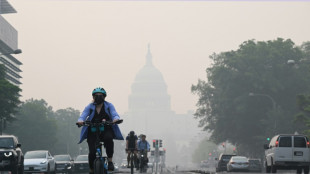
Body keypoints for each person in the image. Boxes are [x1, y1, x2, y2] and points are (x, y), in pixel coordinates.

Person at [77, 87, 124, 173]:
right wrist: (80, 121)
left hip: (105, 129)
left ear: (104, 97)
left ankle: (110, 161)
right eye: (96, 95)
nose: (98, 97)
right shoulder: (90, 107)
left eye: (100, 95)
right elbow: (83, 115)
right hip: (92, 130)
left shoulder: (109, 106)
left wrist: (116, 119)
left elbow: (114, 114)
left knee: (109, 138)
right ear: (93, 97)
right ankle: (91, 169)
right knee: (92, 152)